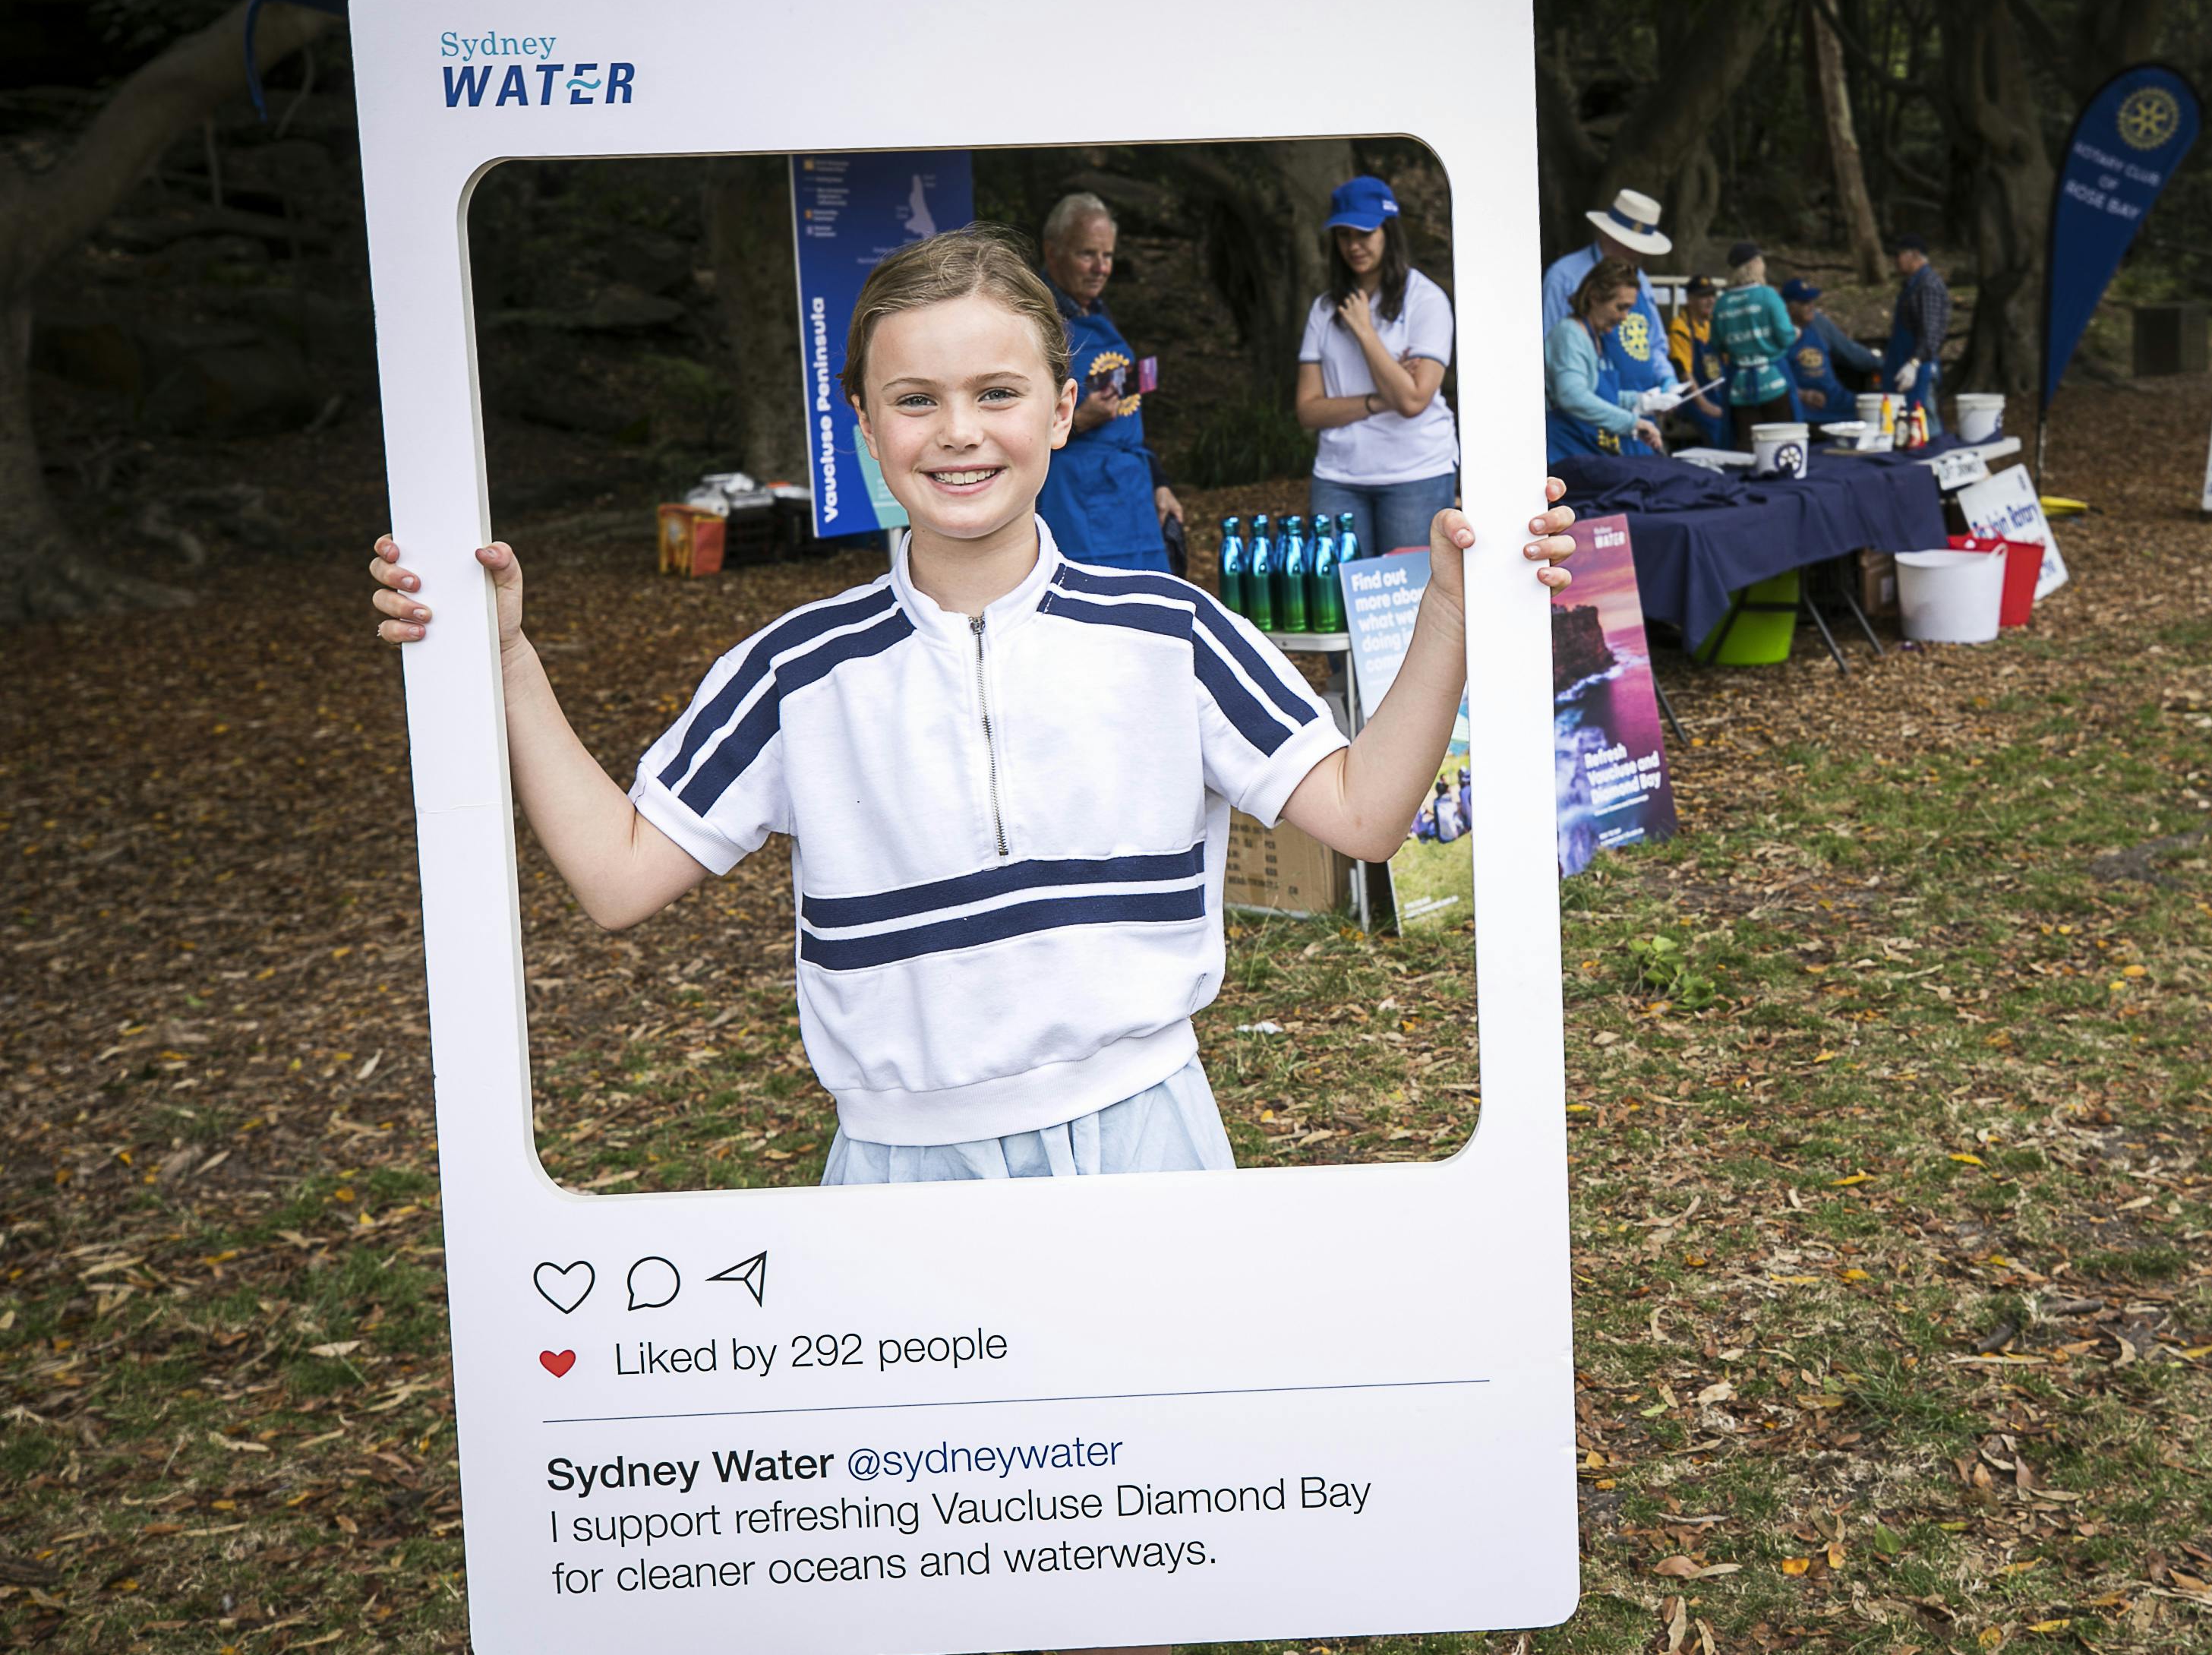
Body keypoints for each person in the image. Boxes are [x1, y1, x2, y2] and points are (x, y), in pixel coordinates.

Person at [368, 225, 1578, 1196]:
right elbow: (619, 876)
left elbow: (1365, 816)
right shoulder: (792, 669)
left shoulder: (1176, 630)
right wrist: (509, 655)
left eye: (997, 391)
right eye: (914, 399)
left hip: (1147, 1143)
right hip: (901, 1170)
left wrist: (1449, 617)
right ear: (860, 422)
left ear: (1061, 408)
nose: (957, 431)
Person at [1294, 175, 1463, 555]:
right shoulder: (1324, 308)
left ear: (1388, 231)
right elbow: (1307, 410)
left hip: (1415, 473)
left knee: (1413, 605)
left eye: (1364, 233)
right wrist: (1379, 398)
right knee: (1339, 606)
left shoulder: (1426, 301)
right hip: (1337, 477)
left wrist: (1366, 333)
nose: (1354, 246)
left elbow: (1413, 403)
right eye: (1343, 235)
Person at [1033, 191, 1181, 570]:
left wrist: (1159, 483)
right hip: (1072, 501)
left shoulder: (1097, 313)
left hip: (1130, 497)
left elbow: (1130, 418)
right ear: (1053, 253)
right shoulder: (1034, 321)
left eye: (1108, 256)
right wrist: (1081, 420)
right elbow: (1013, 422)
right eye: (1088, 254)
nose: (1101, 267)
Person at [1540, 187, 1678, 389]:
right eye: (1626, 243)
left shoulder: (1641, 280)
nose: (1634, 252)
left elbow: (1654, 343)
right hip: (1588, 404)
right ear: (1606, 233)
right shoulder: (1564, 276)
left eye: (1640, 247)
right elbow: (1548, 345)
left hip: (1645, 402)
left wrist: (1667, 379)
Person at [1544, 258, 1676, 460]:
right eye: (1621, 307)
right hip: (1567, 451)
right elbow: (1572, 396)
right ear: (1595, 298)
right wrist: (1632, 422)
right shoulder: (1570, 335)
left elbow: (1599, 393)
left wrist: (1641, 401)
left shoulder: (1596, 336)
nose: (1625, 317)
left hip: (1587, 449)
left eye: (1629, 309)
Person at [1711, 242, 1797, 449]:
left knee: (1749, 449)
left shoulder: (1722, 303)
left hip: (1740, 387)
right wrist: (1795, 333)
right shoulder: (1768, 296)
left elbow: (1717, 344)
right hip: (1774, 381)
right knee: (1783, 446)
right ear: (1756, 264)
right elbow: (1786, 337)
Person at [1782, 277, 1882, 425]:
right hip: (1802, 404)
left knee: (1876, 411)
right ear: (1789, 308)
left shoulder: (1819, 323)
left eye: (1812, 302)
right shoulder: (1778, 333)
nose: (1811, 307)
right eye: (1804, 303)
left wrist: (1882, 365)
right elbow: (1776, 377)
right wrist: (1802, 395)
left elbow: (1850, 351)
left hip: (1836, 399)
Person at [1883, 232, 1949, 427]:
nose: (1896, 260)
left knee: (1923, 423)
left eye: (1899, 255)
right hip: (1901, 364)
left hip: (1919, 369)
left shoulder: (1928, 286)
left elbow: (1930, 334)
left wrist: (1914, 363)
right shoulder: (1912, 285)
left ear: (1913, 255)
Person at [1664, 275, 1730, 447]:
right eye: (1703, 296)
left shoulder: (1714, 325)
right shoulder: (1680, 327)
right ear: (1690, 299)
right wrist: (1705, 406)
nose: (1710, 301)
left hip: (1720, 396)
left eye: (1712, 295)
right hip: (1693, 399)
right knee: (1718, 431)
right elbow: (1684, 373)